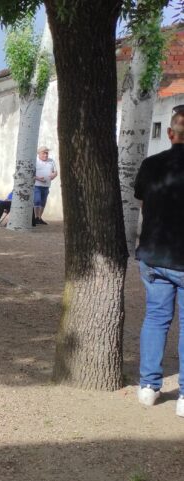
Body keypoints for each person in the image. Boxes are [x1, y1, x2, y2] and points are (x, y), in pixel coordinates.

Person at [133, 110, 184, 418]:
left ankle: (149, 387)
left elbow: (143, 201)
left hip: (154, 254)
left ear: (169, 133)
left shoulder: (151, 164)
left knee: (155, 318)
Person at [33, 146, 58, 225]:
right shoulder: (35, 161)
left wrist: (54, 175)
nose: (46, 155)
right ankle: (36, 217)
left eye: (47, 153)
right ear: (39, 154)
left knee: (43, 202)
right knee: (37, 200)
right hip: (37, 185)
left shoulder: (51, 161)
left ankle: (39, 218)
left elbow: (55, 172)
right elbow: (30, 174)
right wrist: (38, 178)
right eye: (44, 153)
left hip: (46, 186)